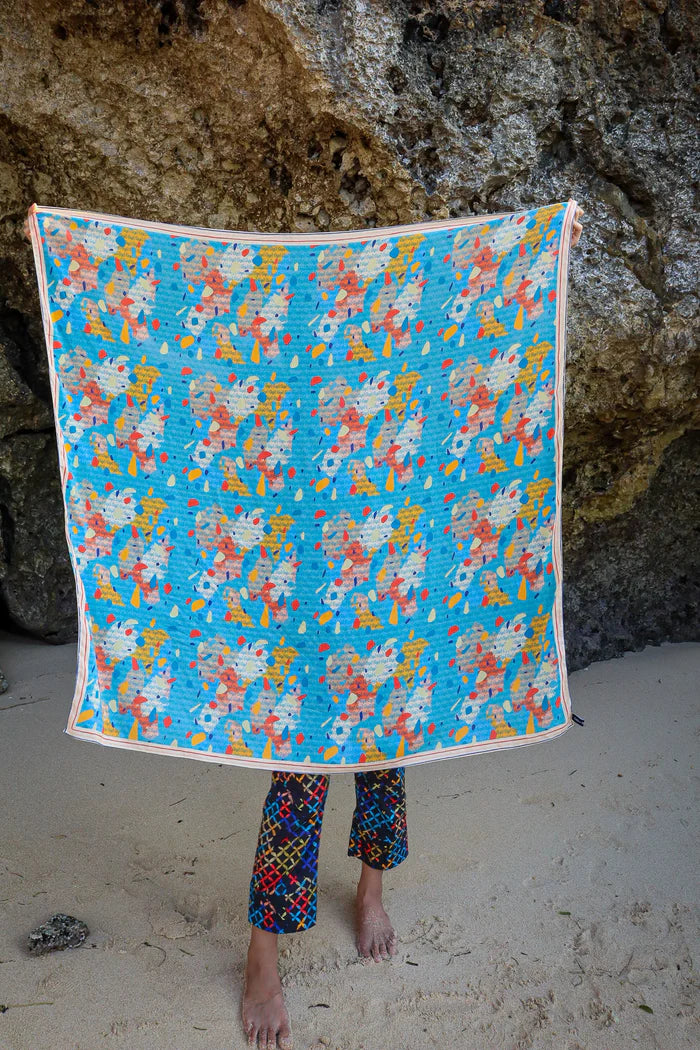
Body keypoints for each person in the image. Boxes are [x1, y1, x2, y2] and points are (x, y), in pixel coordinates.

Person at [239, 204, 585, 1050]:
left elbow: (472, 346)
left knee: (386, 758)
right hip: (307, 612)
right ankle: (262, 958)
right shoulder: (300, 373)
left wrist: (548, 251)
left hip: (390, 604)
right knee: (297, 780)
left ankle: (371, 892)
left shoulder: (407, 373)